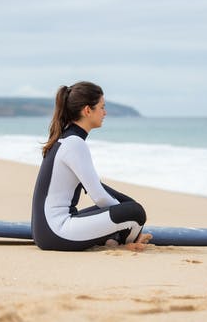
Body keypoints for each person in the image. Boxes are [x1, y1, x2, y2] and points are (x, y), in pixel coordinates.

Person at [31, 81, 152, 251]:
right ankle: (127, 241)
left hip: (47, 231)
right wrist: (128, 212)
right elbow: (100, 196)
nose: (105, 112)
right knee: (136, 213)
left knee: (128, 205)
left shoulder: (66, 139)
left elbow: (97, 187)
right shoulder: (74, 143)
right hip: (56, 232)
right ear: (87, 110)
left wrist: (126, 204)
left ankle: (116, 239)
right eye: (102, 107)